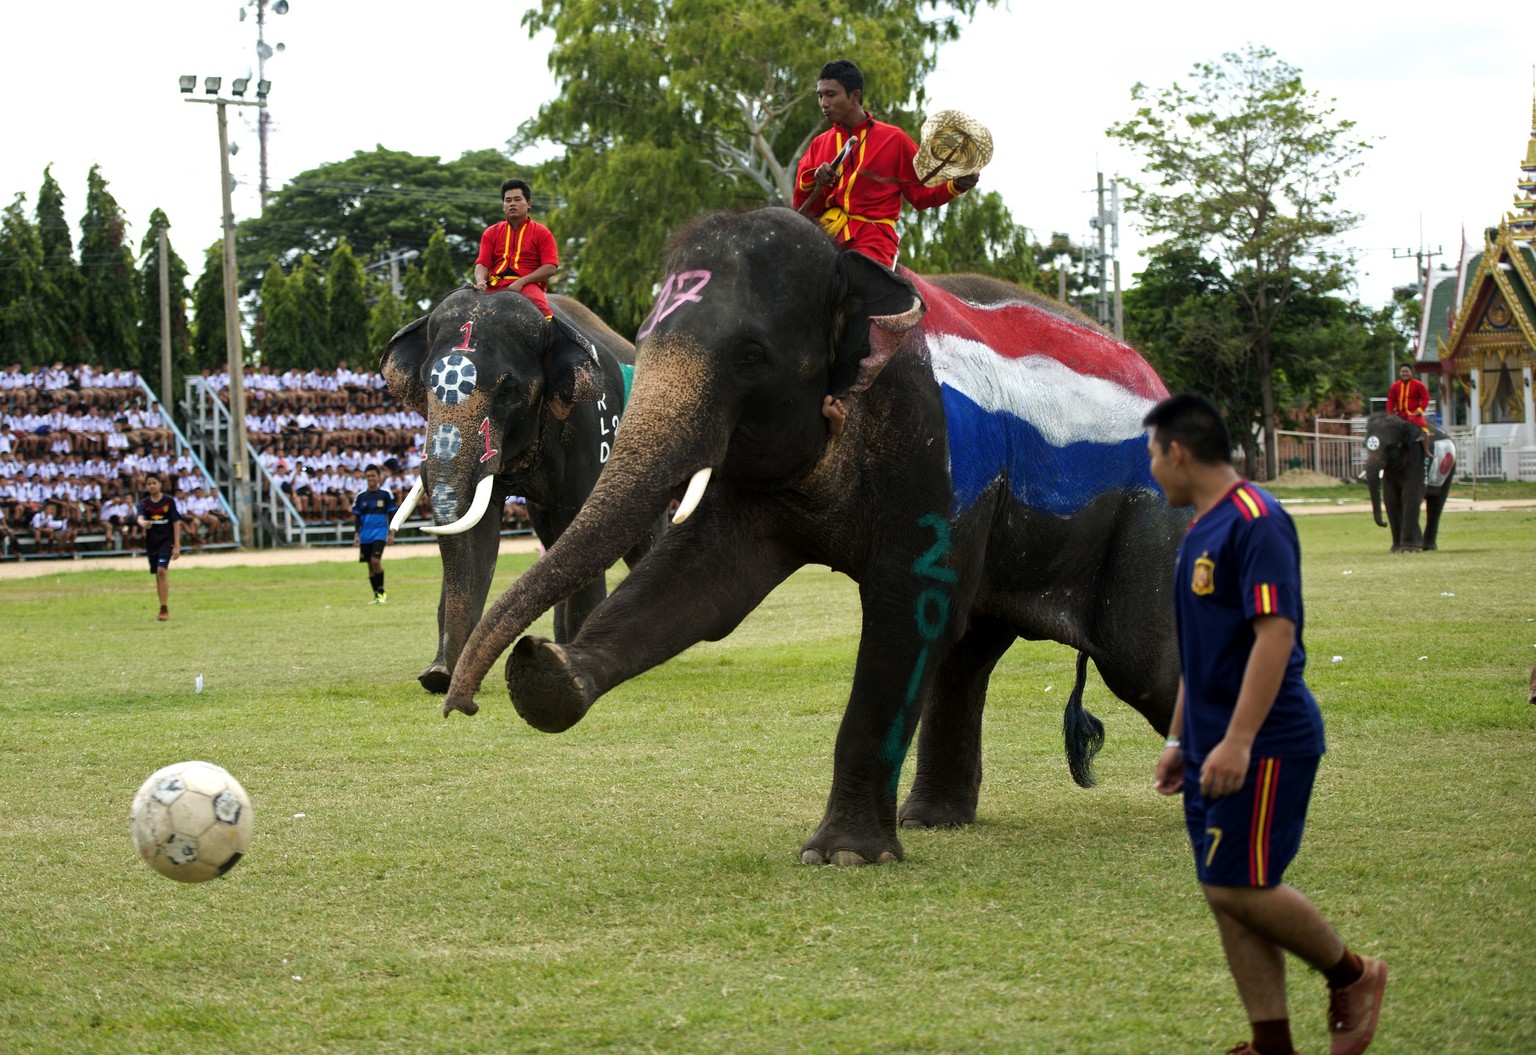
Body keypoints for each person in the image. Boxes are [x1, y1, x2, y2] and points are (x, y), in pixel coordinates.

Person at [1143, 393, 1386, 1055]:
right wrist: (1177, 738)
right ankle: (1270, 1042)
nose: (1152, 471)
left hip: (1266, 741)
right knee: (1227, 889)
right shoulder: (1200, 527)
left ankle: (1354, 976)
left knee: (1235, 882)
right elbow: (1202, 652)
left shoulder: (1257, 519)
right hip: (1211, 743)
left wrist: (1239, 739)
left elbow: (1274, 633)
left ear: (1179, 451)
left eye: (1153, 457)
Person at [792, 59, 978, 269]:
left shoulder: (894, 139)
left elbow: (921, 193)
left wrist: (957, 184)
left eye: (831, 95)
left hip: (873, 241)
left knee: (860, 285)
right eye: (820, 96)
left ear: (854, 96)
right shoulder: (819, 144)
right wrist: (815, 181)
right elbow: (803, 208)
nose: (824, 103)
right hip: (826, 237)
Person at [473, 178, 559, 318]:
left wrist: (521, 282)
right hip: (493, 285)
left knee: (545, 317)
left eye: (517, 199)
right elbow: (482, 263)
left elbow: (550, 267)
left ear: (529, 204)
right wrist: (481, 281)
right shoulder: (491, 232)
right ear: (503, 206)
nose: (512, 204)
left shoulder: (542, 232)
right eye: (508, 200)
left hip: (528, 286)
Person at [137, 472, 181, 622]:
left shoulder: (169, 502)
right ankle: (162, 605)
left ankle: (164, 608)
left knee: (162, 571)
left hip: (166, 541)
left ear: (160, 484)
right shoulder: (144, 503)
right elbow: (140, 516)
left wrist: (177, 545)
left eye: (154, 483)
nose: (151, 486)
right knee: (157, 573)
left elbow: (176, 522)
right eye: (148, 483)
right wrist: (141, 522)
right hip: (152, 542)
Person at [352, 465, 396, 604]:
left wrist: (391, 533)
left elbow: (391, 514)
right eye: (368, 476)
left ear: (379, 477)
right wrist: (356, 534)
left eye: (373, 475)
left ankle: (382, 592)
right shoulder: (361, 496)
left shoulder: (385, 495)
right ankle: (376, 595)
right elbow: (357, 517)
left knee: (375, 561)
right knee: (370, 566)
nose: (371, 478)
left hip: (379, 533)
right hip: (365, 535)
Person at [1386, 363, 1434, 460]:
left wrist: (1420, 410)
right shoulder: (1395, 386)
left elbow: (1426, 398)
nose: (1405, 374)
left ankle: (1426, 450)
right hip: (1399, 414)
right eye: (1403, 372)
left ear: (1411, 373)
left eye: (1407, 371)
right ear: (1400, 373)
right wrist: (1390, 414)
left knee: (1423, 429)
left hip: (1413, 414)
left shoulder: (1418, 385)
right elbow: (1391, 400)